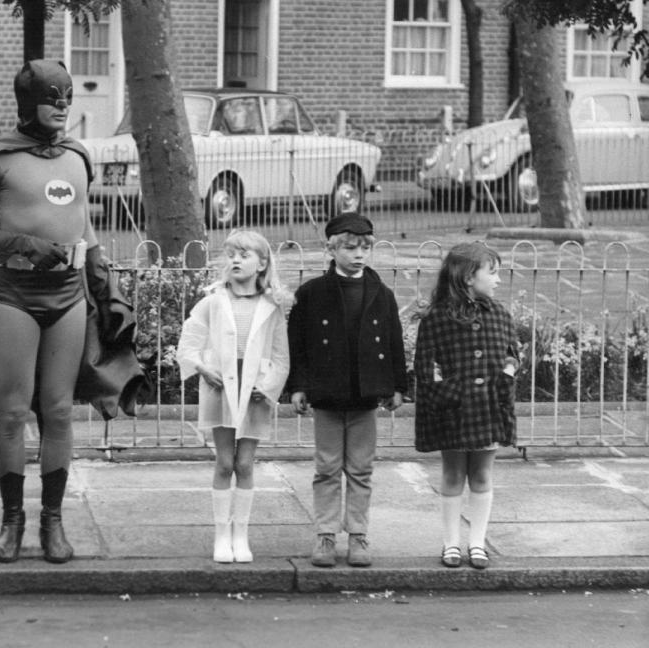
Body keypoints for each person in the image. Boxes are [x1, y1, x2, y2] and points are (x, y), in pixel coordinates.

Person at [0, 59, 106, 564]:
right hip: (13, 292)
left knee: (58, 410)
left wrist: (104, 277)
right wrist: (21, 242)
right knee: (13, 410)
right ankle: (11, 521)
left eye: (66, 98)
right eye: (51, 98)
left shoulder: (79, 156)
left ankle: (52, 521)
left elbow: (84, 227)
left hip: (68, 294)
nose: (61, 108)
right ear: (27, 102)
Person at [287, 213, 407, 568]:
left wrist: (397, 385)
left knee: (360, 469)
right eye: (350, 248)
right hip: (326, 394)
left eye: (364, 248)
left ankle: (358, 536)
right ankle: (325, 536)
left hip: (365, 394)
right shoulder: (311, 293)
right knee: (326, 468)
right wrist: (298, 387)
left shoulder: (381, 294)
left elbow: (394, 342)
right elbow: (299, 345)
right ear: (331, 249)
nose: (359, 255)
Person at [176, 230, 291, 563]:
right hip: (220, 386)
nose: (236, 260)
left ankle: (241, 535)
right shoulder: (213, 301)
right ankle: (221, 536)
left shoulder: (272, 306)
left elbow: (281, 357)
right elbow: (189, 342)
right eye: (231, 254)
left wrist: (267, 387)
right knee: (225, 462)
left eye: (244, 254)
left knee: (245, 462)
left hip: (254, 390)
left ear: (262, 263)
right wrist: (201, 367)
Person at [413, 242, 519, 570]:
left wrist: (508, 371)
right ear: (469, 277)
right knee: (453, 473)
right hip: (453, 408)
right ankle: (451, 543)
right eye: (493, 272)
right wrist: (444, 391)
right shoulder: (437, 318)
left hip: (489, 405)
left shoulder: (499, 314)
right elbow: (424, 364)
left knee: (483, 474)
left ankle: (477, 543)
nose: (498, 280)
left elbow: (513, 351)